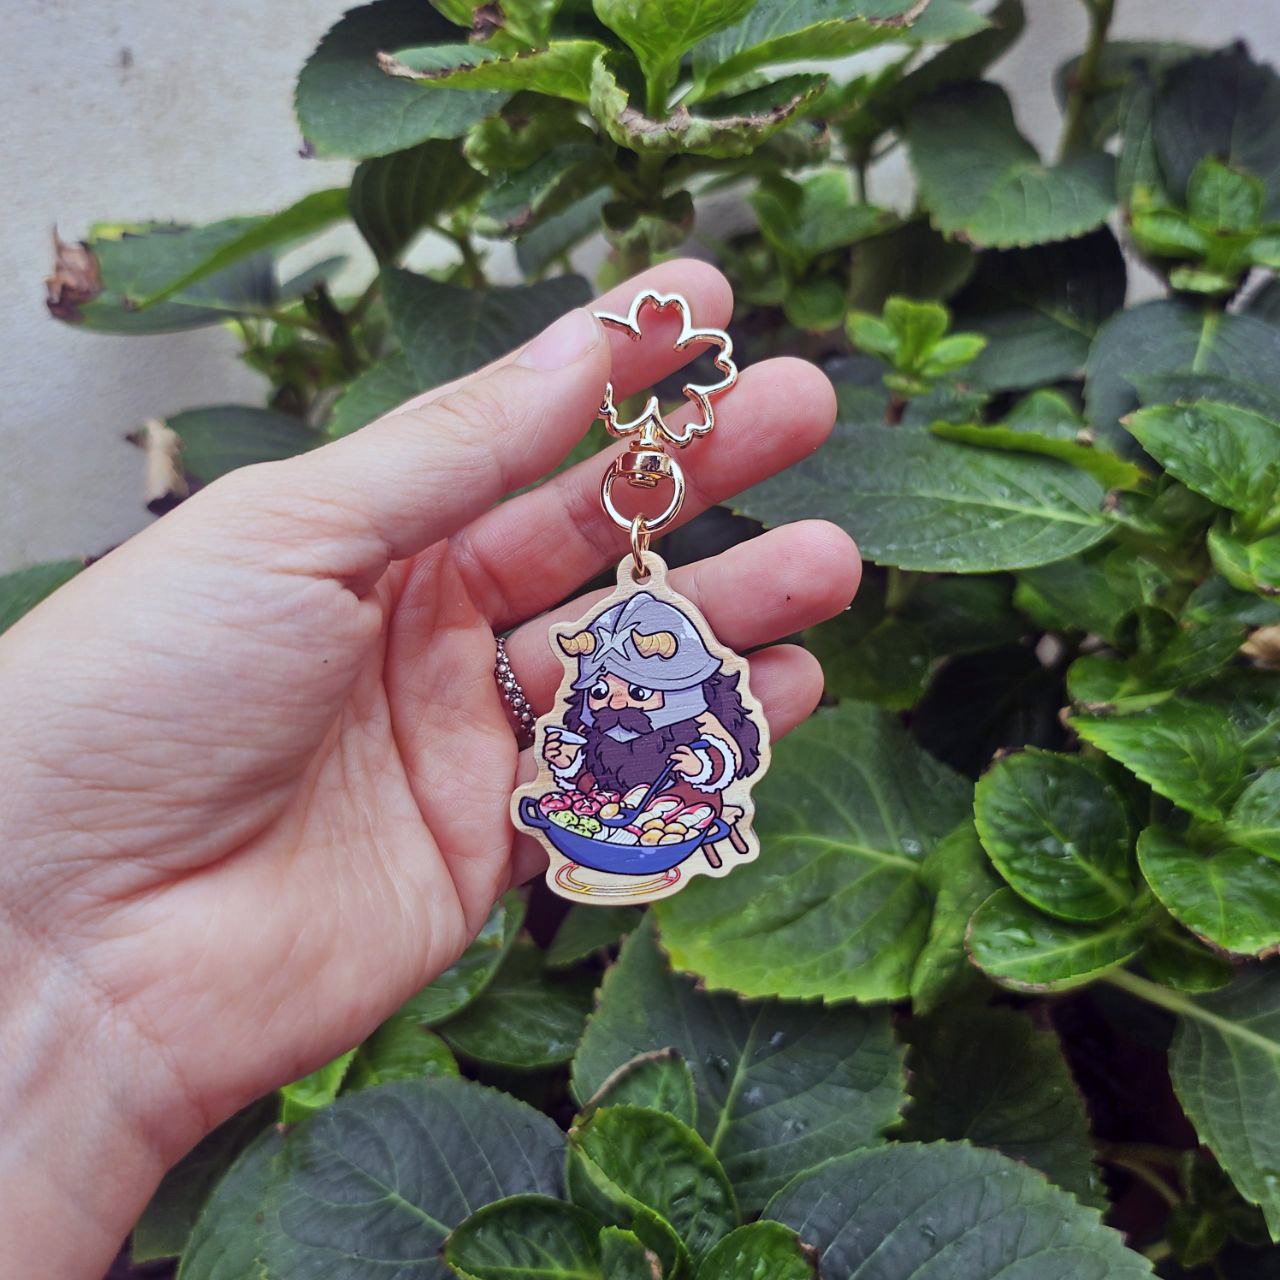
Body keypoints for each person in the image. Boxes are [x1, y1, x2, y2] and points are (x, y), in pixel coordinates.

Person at [0, 261, 860, 1276]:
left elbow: (705, 745)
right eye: (614, 688)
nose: (621, 699)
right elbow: (589, 738)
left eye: (637, 691)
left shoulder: (683, 715)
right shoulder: (596, 702)